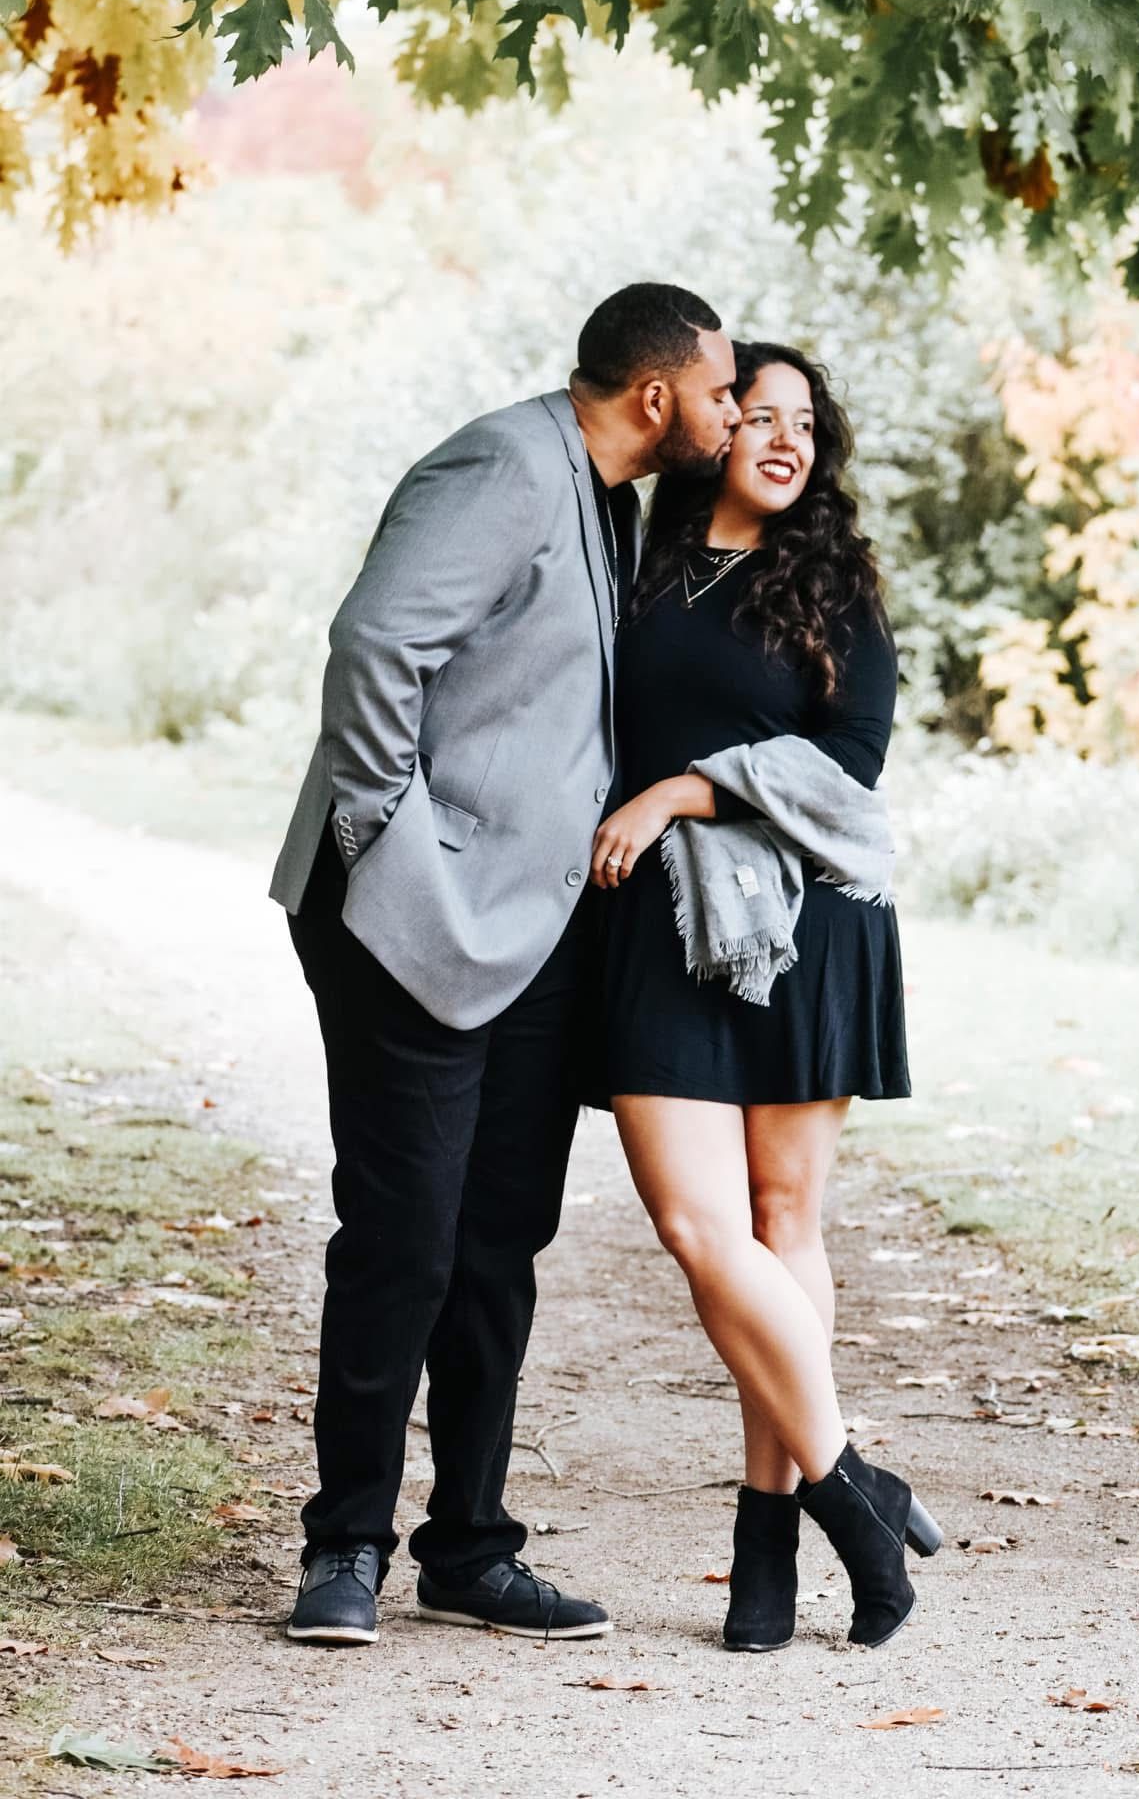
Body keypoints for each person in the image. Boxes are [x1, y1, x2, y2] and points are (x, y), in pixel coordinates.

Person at [268, 284, 741, 1645]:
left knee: (496, 1248)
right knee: (401, 1241)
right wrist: (389, 844)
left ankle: (468, 1550)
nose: (726, 412)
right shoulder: (501, 461)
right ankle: (343, 1548)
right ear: (656, 396)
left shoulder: (614, 496)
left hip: (535, 934)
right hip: (406, 915)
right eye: (717, 393)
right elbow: (374, 645)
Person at [592, 341, 941, 1653]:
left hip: (803, 928)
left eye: (807, 422)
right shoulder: (636, 562)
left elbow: (849, 770)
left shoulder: (836, 587)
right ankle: (853, 1486)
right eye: (761, 415)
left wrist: (682, 788)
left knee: (784, 1216)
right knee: (698, 1226)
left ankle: (765, 1541)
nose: (786, 439)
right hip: (652, 928)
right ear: (716, 427)